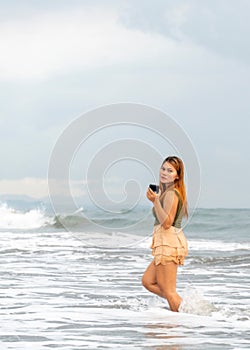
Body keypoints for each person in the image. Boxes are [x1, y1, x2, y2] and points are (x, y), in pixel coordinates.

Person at [142, 156, 188, 312]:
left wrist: (155, 201)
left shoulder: (171, 194)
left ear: (177, 175)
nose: (164, 173)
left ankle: (185, 314)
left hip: (169, 241)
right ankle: (184, 308)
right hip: (164, 241)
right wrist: (155, 200)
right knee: (148, 281)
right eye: (163, 169)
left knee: (168, 290)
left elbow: (167, 223)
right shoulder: (166, 192)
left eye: (170, 170)